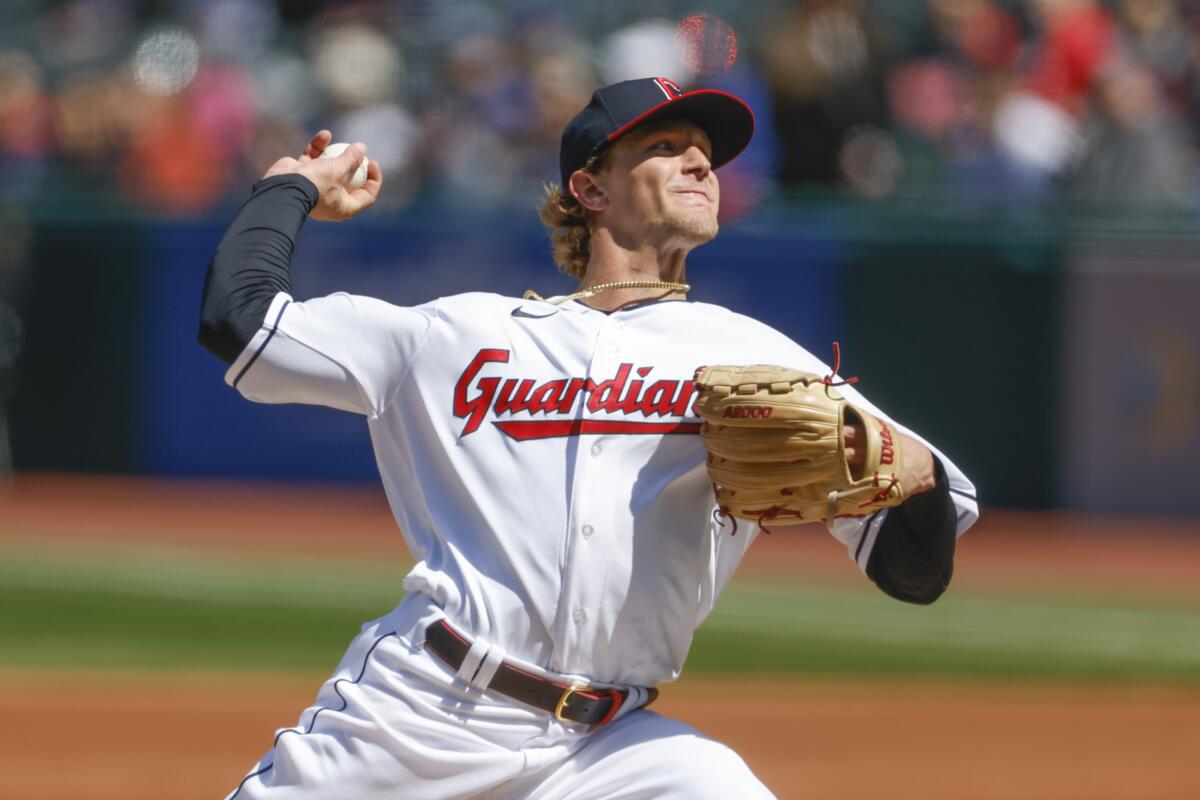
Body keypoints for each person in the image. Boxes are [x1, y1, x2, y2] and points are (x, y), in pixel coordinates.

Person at [200, 76, 979, 800]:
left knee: (716, 784)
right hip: (416, 714)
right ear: (590, 186)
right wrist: (291, 186)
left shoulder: (759, 357)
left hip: (605, 750)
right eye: (667, 146)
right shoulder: (459, 332)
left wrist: (913, 479)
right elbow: (241, 326)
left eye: (707, 152)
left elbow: (914, 571)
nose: (700, 161)